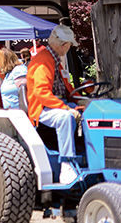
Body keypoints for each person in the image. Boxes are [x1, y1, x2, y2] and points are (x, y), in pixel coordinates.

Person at [26, 25, 82, 184]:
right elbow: (41, 93)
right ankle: (66, 164)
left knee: (88, 113)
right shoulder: (43, 61)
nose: (69, 48)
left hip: (57, 103)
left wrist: (82, 100)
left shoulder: (54, 60)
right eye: (70, 45)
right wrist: (65, 107)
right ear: (64, 45)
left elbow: (67, 88)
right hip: (43, 109)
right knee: (65, 117)